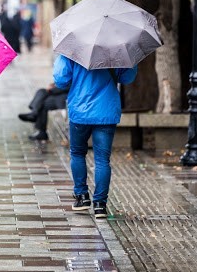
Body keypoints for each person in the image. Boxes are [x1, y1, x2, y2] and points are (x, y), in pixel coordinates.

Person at [53, 55, 137, 218]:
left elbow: (60, 79)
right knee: (102, 160)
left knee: (77, 153)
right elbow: (127, 77)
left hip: (80, 111)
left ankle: (82, 196)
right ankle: (100, 205)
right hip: (106, 111)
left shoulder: (72, 50)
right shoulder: (114, 50)